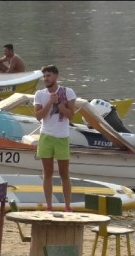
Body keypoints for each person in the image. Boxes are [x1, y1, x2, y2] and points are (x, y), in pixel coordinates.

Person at [33, 65, 76, 212]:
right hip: (46, 136)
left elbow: (70, 115)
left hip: (62, 137)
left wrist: (59, 104)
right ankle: (49, 206)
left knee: (64, 174)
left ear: (56, 76)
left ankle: (67, 207)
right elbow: (38, 116)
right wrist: (50, 103)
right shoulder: (40, 94)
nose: (46, 79)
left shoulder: (68, 92)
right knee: (47, 173)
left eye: (49, 76)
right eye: (44, 76)